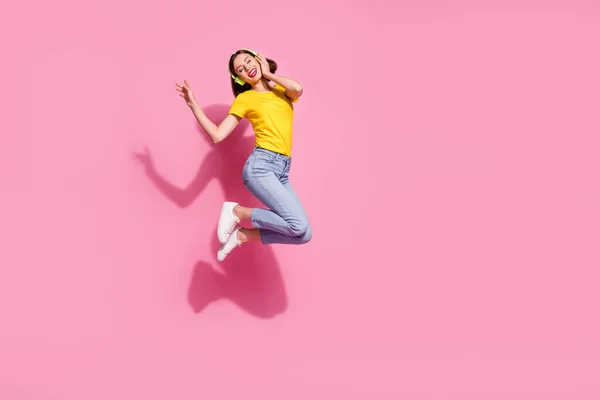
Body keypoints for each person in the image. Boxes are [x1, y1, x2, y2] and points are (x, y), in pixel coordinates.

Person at [175, 49, 312, 261]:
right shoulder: (246, 98)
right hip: (261, 167)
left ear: (259, 59)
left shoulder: (282, 91)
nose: (247, 68)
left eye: (249, 61)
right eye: (240, 69)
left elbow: (298, 88)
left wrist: (268, 75)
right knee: (298, 224)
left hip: (282, 170)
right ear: (239, 78)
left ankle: (244, 234)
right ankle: (237, 212)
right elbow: (218, 135)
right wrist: (193, 105)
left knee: (303, 234)